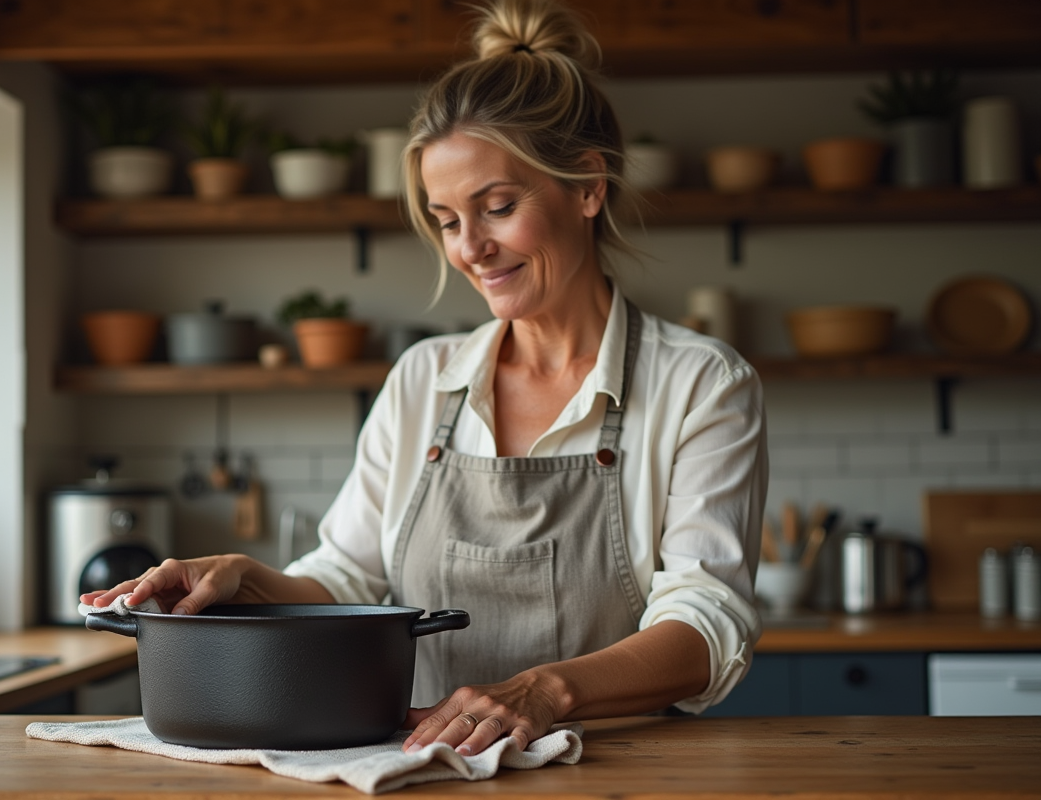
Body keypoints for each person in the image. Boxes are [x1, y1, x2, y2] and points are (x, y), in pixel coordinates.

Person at [82, 0, 767, 758]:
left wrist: (545, 691)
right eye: (446, 219)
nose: (470, 248)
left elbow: (708, 623)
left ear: (587, 187)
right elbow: (348, 578)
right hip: (427, 767)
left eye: (497, 207)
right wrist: (248, 580)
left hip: (620, 770)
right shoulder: (423, 380)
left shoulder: (701, 385)